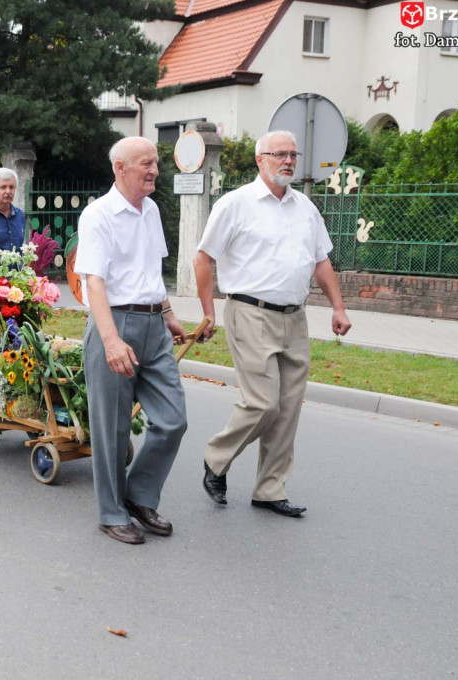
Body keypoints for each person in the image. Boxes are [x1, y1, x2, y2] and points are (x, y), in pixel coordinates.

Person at [194, 130, 353, 518]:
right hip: (250, 312)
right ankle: (216, 459)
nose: (288, 161)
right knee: (263, 403)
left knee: (287, 408)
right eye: (279, 154)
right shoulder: (235, 204)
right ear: (259, 159)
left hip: (294, 316)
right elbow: (203, 259)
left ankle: (270, 488)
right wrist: (209, 311)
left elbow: (321, 262)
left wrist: (339, 307)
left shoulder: (305, 208)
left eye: (293, 155)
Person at [74, 137, 189, 545]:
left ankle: (138, 496)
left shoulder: (152, 210)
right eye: (147, 163)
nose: (155, 170)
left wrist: (170, 315)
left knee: (173, 420)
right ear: (120, 167)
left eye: (156, 163)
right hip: (115, 324)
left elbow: (151, 270)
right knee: (113, 429)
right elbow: (94, 282)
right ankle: (111, 513)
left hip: (154, 325)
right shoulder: (98, 215)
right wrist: (110, 341)